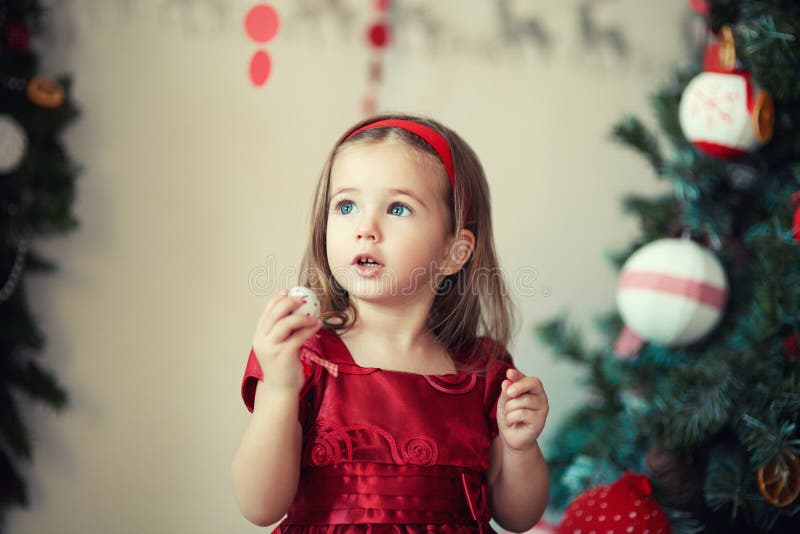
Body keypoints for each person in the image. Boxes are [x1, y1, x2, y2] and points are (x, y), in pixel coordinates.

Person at [232, 114, 550, 533]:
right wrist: (279, 387)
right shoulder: (303, 357)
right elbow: (259, 506)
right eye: (346, 206)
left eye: (398, 208)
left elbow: (518, 517)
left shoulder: (483, 371)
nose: (365, 229)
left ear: (454, 252)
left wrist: (521, 448)